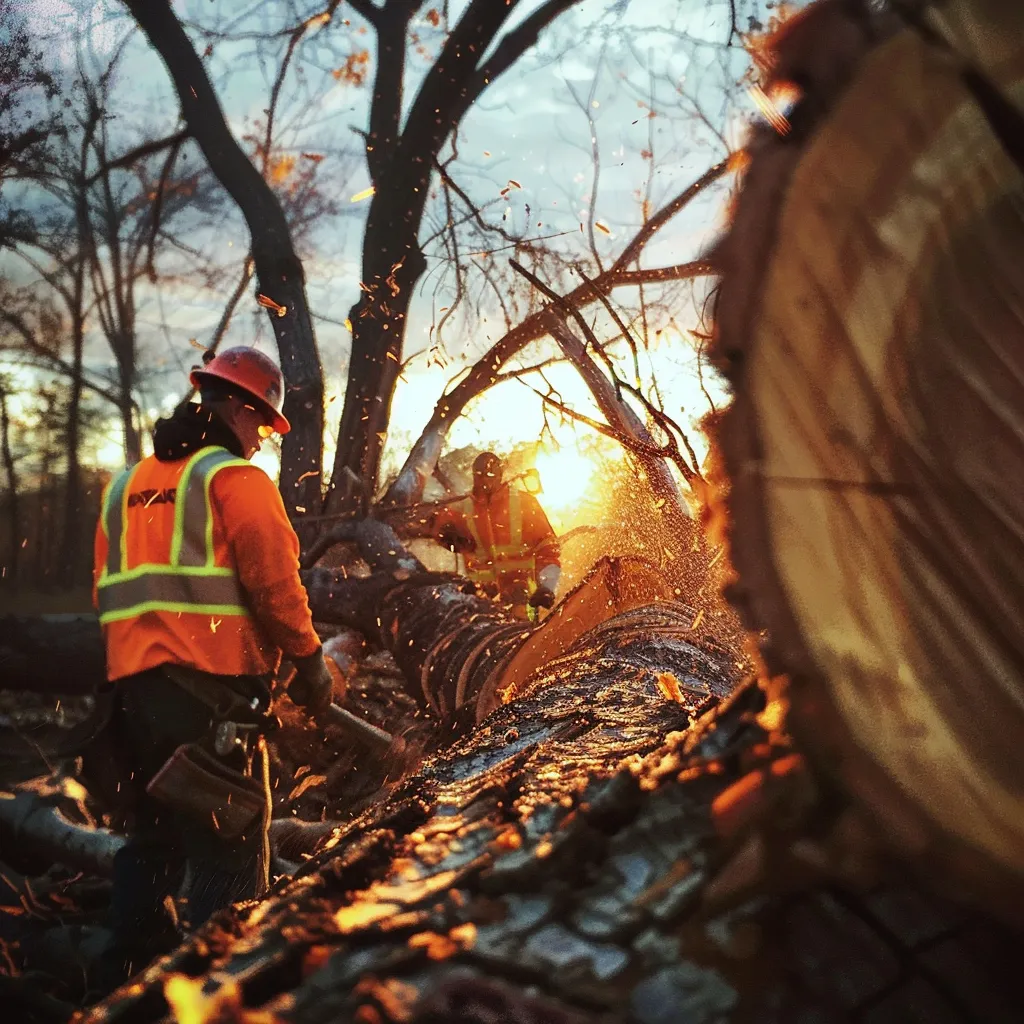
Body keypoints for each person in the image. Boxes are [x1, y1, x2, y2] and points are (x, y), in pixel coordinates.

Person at [91, 346, 334, 981]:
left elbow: (108, 591)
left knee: (152, 842)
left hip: (131, 702)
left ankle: (122, 980)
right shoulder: (236, 481)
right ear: (237, 407)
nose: (259, 443)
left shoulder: (125, 486)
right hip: (210, 705)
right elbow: (276, 589)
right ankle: (226, 986)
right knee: (230, 852)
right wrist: (310, 663)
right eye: (260, 426)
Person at [432, 451, 560, 620]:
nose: (485, 480)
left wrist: (547, 586)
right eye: (480, 476)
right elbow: (429, 525)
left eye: (490, 475)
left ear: (500, 475)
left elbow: (548, 547)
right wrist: (445, 536)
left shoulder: (524, 503)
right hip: (481, 600)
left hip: (523, 596)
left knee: (523, 640)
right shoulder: (463, 508)